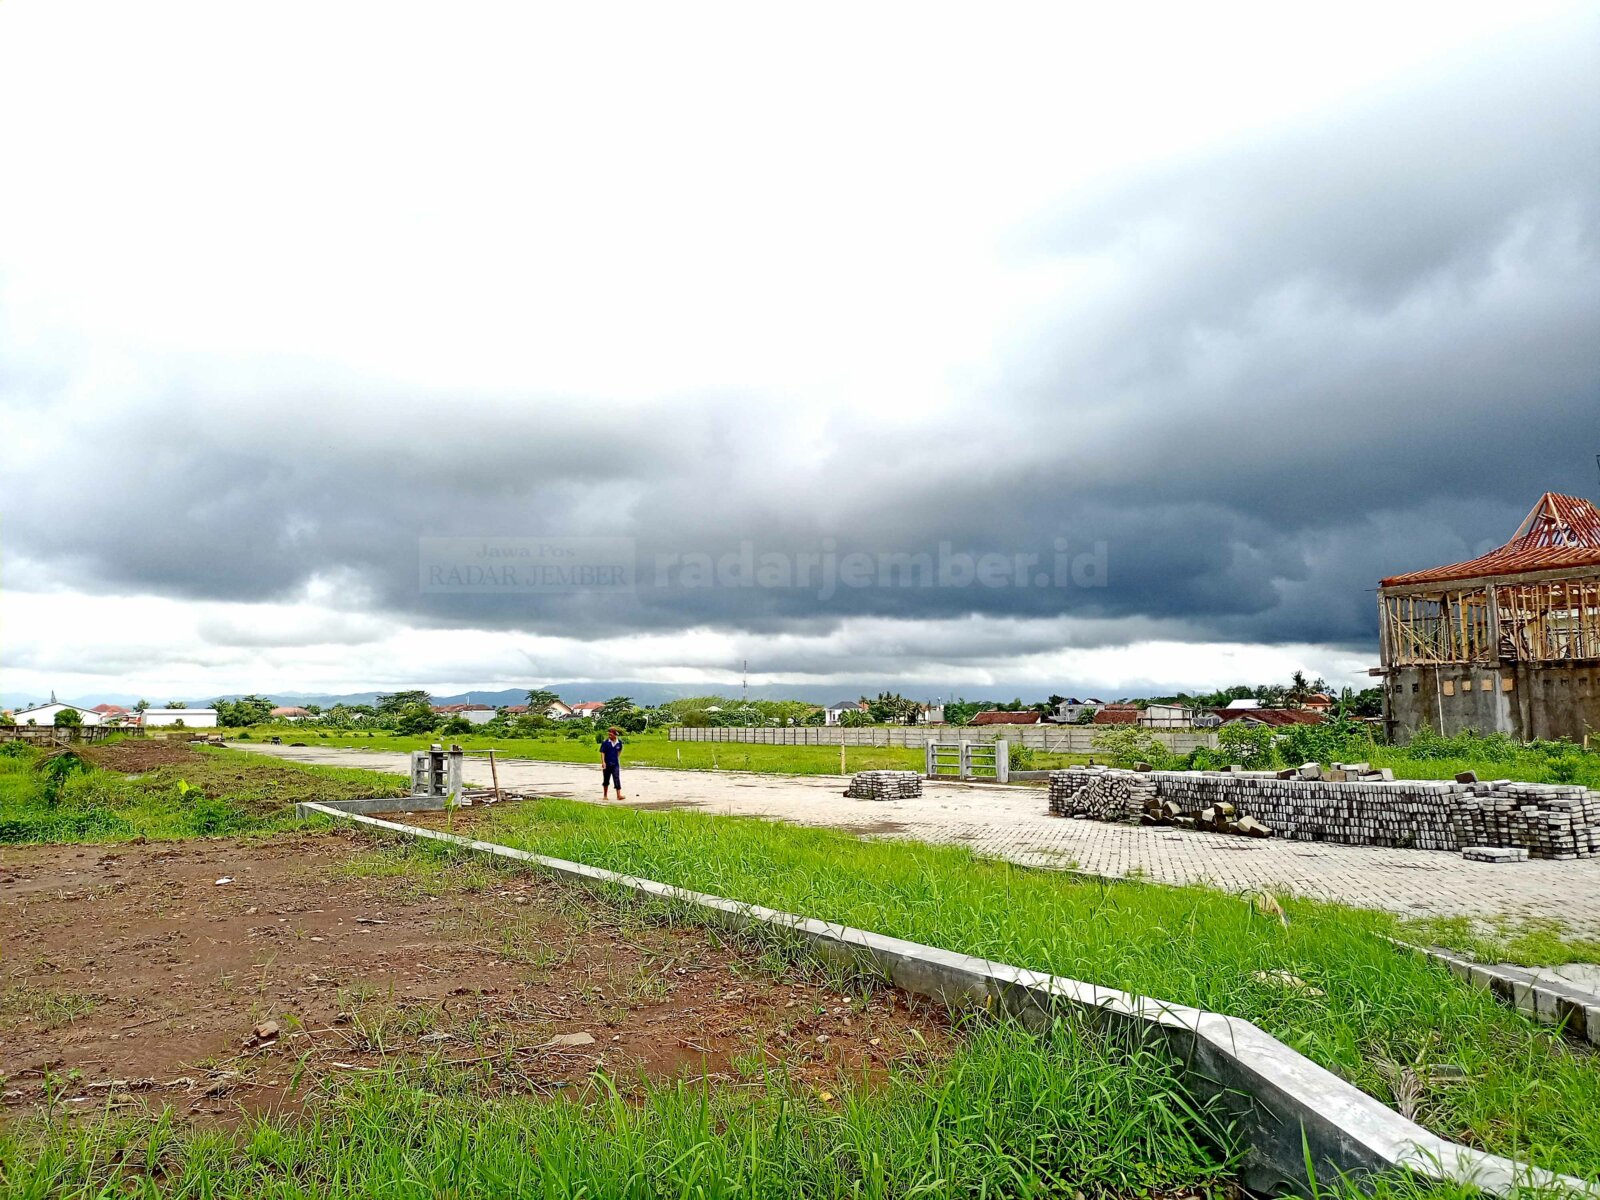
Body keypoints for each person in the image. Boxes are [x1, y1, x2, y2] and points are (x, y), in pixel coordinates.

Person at [600, 726, 625, 800]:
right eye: (608, 734)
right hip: (607, 764)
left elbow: (619, 750)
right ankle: (605, 795)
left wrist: (617, 757)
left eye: (610, 734)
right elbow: (602, 752)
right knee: (606, 779)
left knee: (616, 778)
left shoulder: (619, 742)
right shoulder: (605, 742)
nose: (609, 736)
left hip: (615, 764)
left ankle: (619, 795)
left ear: (615, 735)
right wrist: (603, 762)